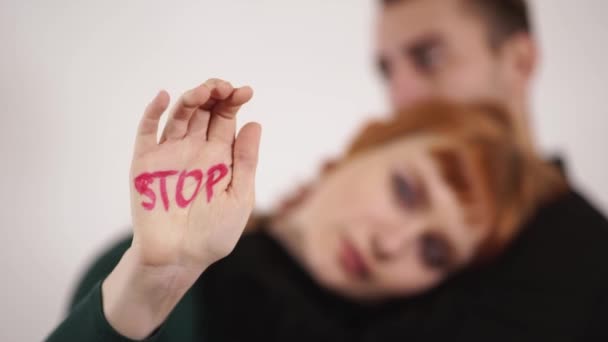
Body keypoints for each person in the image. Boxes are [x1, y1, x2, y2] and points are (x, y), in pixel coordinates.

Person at [47, 0, 608, 340]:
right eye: (387, 68)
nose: (401, 92)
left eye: (428, 55)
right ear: (359, 149)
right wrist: (151, 284)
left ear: (520, 60)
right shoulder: (167, 265)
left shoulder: (573, 249)